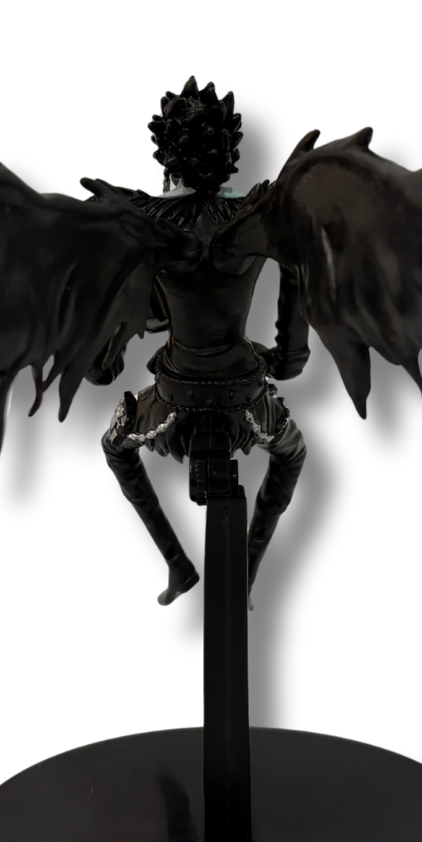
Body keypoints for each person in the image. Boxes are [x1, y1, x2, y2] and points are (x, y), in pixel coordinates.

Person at [96, 78, 310, 605]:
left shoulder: (139, 218)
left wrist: (99, 359)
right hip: (246, 397)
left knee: (116, 447)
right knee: (291, 456)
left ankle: (177, 565)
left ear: (166, 154)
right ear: (230, 153)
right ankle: (247, 575)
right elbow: (291, 340)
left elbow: (102, 362)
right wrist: (281, 358)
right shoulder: (263, 212)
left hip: (172, 399)